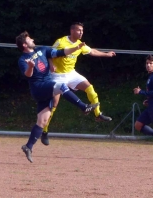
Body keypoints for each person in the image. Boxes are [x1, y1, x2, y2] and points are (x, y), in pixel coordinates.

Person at [16, 31, 99, 163]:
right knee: (62, 86)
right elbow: (28, 75)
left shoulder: (42, 49)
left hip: (47, 87)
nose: (32, 39)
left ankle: (28, 146)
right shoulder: (22, 60)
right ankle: (83, 107)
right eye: (29, 39)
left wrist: (76, 48)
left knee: (42, 121)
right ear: (25, 44)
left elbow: (61, 52)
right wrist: (31, 67)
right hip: (39, 87)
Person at [40, 22, 116, 146]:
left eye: (82, 31)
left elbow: (92, 51)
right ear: (72, 31)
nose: (81, 32)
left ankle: (98, 114)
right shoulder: (61, 41)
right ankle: (44, 132)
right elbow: (48, 53)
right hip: (57, 76)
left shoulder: (80, 45)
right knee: (54, 104)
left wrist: (106, 54)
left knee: (90, 88)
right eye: (79, 30)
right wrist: (51, 63)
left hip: (71, 73)